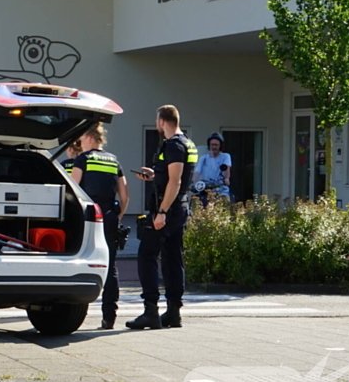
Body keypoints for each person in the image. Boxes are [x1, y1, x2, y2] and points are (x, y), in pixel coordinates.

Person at [128, 105, 197, 330]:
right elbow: (172, 176)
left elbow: (176, 180)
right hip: (179, 208)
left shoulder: (175, 145)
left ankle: (150, 311)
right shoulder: (187, 142)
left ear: (162, 122)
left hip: (169, 209)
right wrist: (154, 176)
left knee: (146, 255)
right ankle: (173, 313)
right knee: (172, 258)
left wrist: (162, 212)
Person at [69, 122, 129, 329]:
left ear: (89, 138)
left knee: (81, 261)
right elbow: (125, 195)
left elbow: (74, 191)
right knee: (110, 266)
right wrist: (118, 215)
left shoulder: (82, 159)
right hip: (110, 216)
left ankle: (72, 312)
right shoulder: (114, 160)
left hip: (89, 218)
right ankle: (109, 317)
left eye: (81, 139)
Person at [194, 132, 232, 202]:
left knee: (225, 203)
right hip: (206, 188)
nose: (214, 147)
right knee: (196, 202)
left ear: (220, 146)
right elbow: (197, 172)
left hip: (220, 189)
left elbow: (226, 171)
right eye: (212, 145)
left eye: (216, 145)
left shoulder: (225, 156)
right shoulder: (204, 158)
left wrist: (226, 178)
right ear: (209, 145)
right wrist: (192, 183)